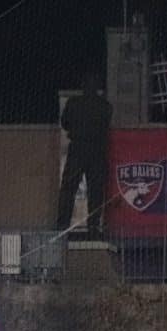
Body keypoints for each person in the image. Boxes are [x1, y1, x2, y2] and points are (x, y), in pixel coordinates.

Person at [56, 77, 115, 235]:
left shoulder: (74, 103)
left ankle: (62, 224)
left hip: (78, 147)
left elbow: (65, 123)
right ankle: (93, 226)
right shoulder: (104, 106)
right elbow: (106, 125)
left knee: (69, 188)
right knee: (95, 190)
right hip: (97, 150)